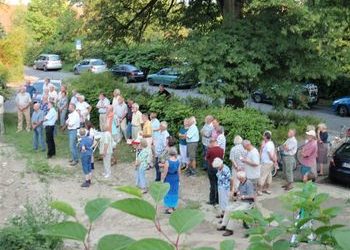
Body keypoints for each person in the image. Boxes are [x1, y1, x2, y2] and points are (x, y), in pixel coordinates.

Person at [217, 171, 256, 237]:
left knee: (235, 212)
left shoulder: (248, 183)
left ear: (243, 177)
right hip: (240, 201)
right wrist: (236, 192)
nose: (238, 180)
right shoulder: (241, 182)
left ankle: (230, 229)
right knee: (228, 208)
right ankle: (224, 225)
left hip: (247, 203)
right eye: (238, 178)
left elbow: (252, 196)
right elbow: (238, 191)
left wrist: (243, 196)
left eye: (239, 178)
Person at [258, 131, 277, 195]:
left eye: (263, 136)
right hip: (270, 163)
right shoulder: (271, 143)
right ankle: (267, 189)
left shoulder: (268, 144)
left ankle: (260, 190)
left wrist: (272, 159)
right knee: (269, 176)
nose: (263, 137)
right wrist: (274, 161)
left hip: (266, 163)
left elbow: (269, 154)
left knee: (262, 176)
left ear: (266, 137)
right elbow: (274, 152)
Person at [205, 138, 224, 205]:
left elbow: (206, 158)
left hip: (211, 168)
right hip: (219, 168)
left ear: (212, 143)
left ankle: (212, 200)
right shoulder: (221, 150)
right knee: (219, 184)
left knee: (213, 184)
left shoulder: (210, 150)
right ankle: (218, 200)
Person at [162, 147, 181, 214]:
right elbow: (179, 171)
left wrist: (162, 180)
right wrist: (179, 180)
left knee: (168, 192)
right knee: (174, 192)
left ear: (169, 153)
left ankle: (170, 209)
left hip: (169, 178)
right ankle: (173, 206)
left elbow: (165, 172)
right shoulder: (178, 161)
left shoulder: (168, 162)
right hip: (175, 178)